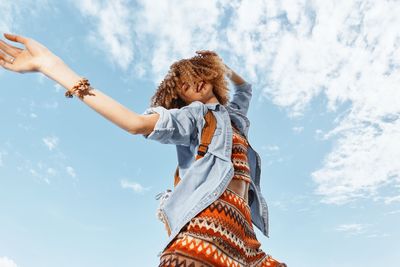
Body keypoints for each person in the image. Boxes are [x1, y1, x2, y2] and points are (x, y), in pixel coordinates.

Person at [0, 33, 287, 267]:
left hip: (245, 234)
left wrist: (221, 66)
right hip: (206, 227)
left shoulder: (233, 118)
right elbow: (135, 123)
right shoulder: (194, 116)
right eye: (184, 85)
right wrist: (52, 66)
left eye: (198, 75)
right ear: (180, 99)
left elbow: (245, 88)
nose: (194, 83)